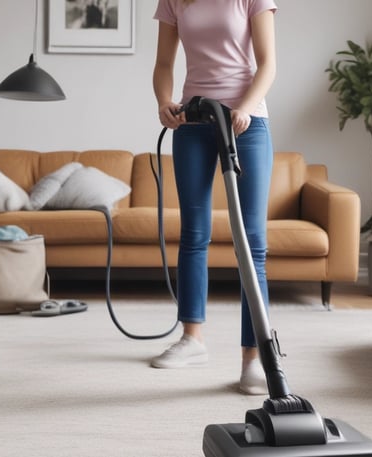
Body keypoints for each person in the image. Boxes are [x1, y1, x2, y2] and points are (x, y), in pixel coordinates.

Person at [151, 0, 277, 395]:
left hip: (247, 123)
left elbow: (267, 63)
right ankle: (192, 339)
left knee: (252, 241)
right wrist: (164, 102)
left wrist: (245, 106)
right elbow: (163, 64)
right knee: (194, 233)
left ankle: (254, 358)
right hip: (193, 122)